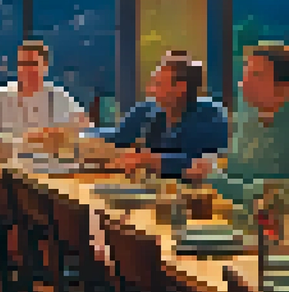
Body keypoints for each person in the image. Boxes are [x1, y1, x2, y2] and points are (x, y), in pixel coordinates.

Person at [86, 51, 228, 178]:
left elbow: (201, 164)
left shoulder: (210, 116)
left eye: (158, 84)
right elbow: (119, 135)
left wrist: (148, 160)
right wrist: (82, 133)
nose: (150, 90)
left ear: (180, 88)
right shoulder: (148, 110)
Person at [184, 42, 289, 204]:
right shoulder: (248, 113)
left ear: (284, 88)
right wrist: (214, 165)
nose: (243, 84)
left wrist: (215, 177)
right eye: (244, 75)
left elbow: (277, 197)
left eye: (256, 76)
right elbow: (241, 170)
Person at [0, 39, 90, 139]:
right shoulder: (0, 98)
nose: (27, 70)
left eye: (33, 64)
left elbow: (86, 130)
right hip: (9, 168)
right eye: (22, 64)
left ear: (45, 66)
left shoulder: (59, 99)